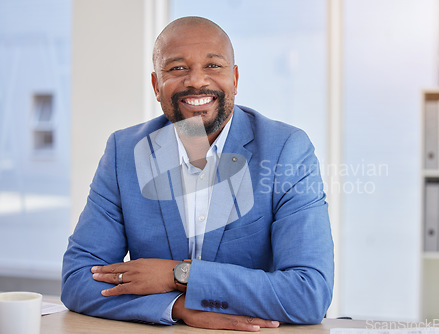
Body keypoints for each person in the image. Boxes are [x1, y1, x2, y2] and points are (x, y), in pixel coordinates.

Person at [61, 16, 334, 332]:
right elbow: (79, 279)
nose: (196, 81)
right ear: (156, 86)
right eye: (177, 68)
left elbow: (309, 293)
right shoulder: (124, 152)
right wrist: (176, 307)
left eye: (213, 66)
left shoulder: (286, 149)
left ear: (234, 78)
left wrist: (177, 274)